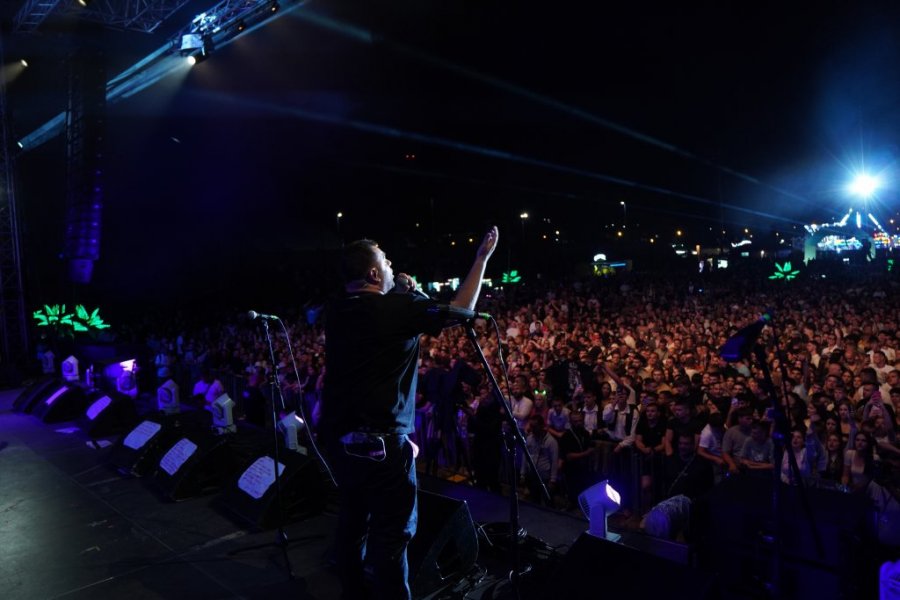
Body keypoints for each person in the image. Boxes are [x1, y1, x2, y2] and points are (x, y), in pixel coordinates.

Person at [320, 226, 498, 600]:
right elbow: (462, 309)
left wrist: (404, 295)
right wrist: (480, 259)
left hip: (339, 442)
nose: (391, 265)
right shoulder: (396, 308)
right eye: (385, 261)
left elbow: (377, 329)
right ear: (373, 273)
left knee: (352, 524)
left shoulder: (336, 311)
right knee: (391, 537)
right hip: (380, 447)